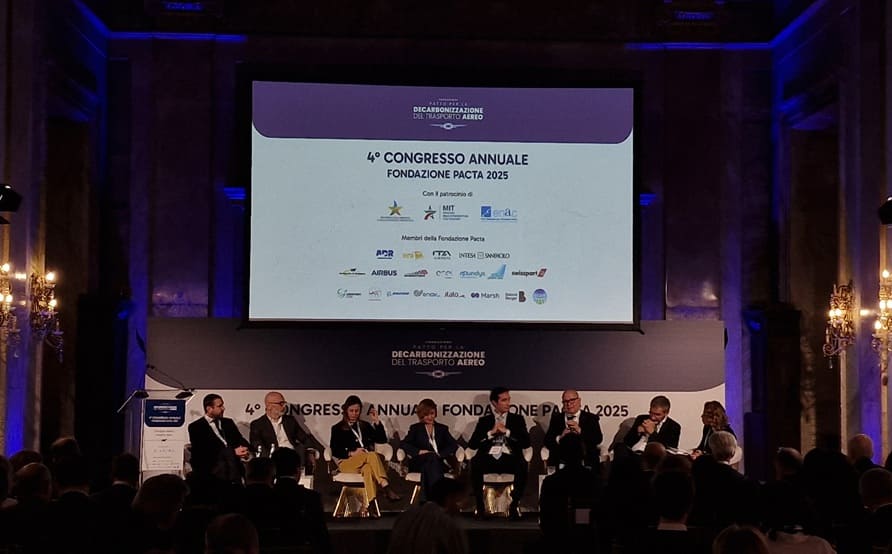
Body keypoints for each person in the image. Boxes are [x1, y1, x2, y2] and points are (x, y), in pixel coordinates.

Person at [468, 387, 531, 519]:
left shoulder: (517, 419)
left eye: (508, 400)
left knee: (522, 464)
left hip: (510, 458)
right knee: (475, 463)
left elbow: (526, 442)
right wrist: (490, 433)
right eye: (504, 400)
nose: (508, 403)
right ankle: (480, 506)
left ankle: (514, 505)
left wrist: (507, 432)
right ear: (494, 403)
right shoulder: (484, 421)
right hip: (489, 458)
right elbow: (473, 444)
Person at [329, 395, 399, 505]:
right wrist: (352, 453)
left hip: (365, 463)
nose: (354, 413)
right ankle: (385, 485)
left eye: (357, 411)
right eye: (351, 411)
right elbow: (335, 450)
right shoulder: (337, 428)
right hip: (347, 463)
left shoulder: (364, 426)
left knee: (368, 469)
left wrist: (376, 422)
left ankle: (370, 504)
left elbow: (381, 440)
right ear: (346, 411)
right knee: (372, 455)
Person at [539, 434, 601, 552]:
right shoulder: (592, 479)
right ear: (582, 452)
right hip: (584, 538)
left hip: (557, 536)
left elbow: (545, 516)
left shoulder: (551, 482)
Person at [386, 478, 469, 554]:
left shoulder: (404, 517)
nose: (460, 508)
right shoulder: (447, 525)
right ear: (449, 499)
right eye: (458, 501)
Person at [400, 398, 459, 503]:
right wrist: (419, 451)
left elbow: (453, 445)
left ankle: (425, 500)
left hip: (437, 461)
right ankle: (439, 498)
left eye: (432, 413)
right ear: (421, 415)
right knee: (430, 459)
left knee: (432, 461)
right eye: (426, 415)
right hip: (419, 462)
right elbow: (404, 444)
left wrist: (440, 454)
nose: (430, 417)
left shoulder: (442, 428)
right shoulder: (415, 428)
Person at [188, 393, 251, 484]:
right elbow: (203, 452)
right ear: (209, 409)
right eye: (219, 406)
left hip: (234, 473)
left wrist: (246, 451)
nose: (223, 408)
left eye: (223, 405)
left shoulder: (228, 423)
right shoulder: (196, 427)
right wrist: (232, 452)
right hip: (213, 475)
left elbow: (239, 440)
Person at [249, 391, 318, 473]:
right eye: (281, 403)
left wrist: (310, 451)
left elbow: (305, 438)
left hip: (293, 456)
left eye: (284, 403)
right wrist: (269, 459)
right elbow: (256, 444)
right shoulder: (258, 424)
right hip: (273, 458)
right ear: (269, 406)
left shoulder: (290, 421)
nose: (284, 406)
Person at [543, 389, 603, 470]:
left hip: (586, 460)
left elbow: (598, 439)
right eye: (565, 401)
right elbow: (547, 441)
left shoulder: (591, 418)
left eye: (572, 400)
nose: (569, 404)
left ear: (579, 401)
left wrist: (580, 431)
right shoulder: (556, 419)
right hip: (561, 461)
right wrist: (560, 437)